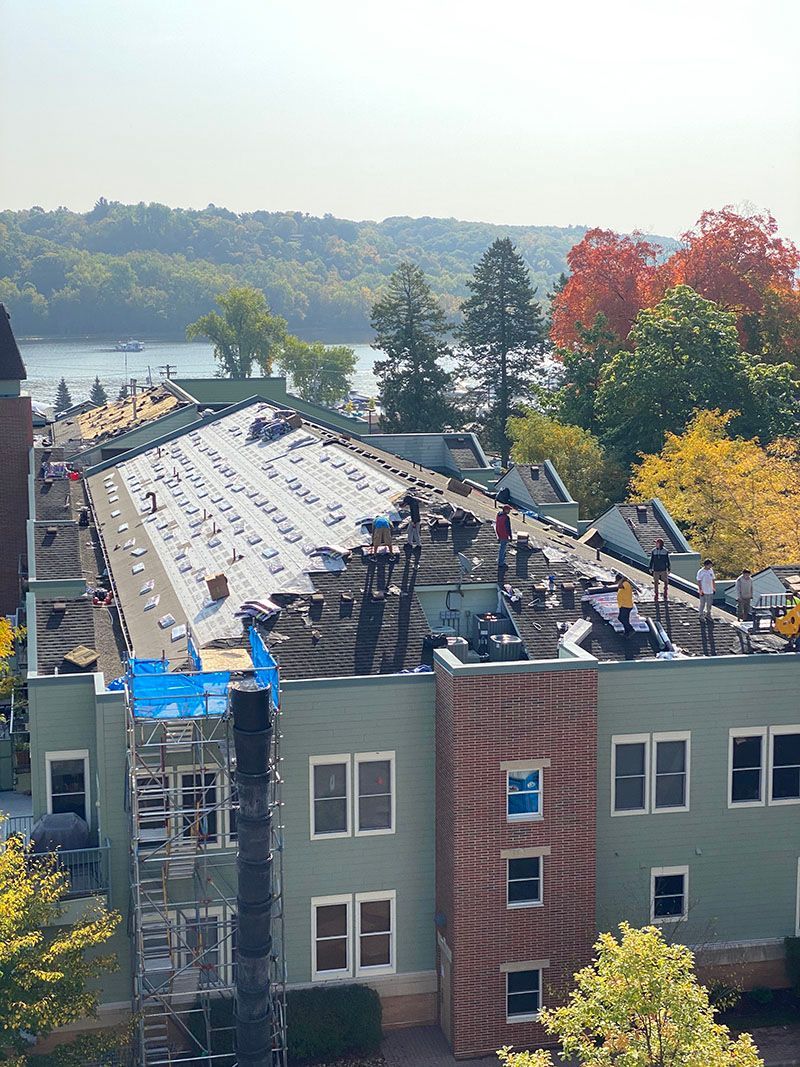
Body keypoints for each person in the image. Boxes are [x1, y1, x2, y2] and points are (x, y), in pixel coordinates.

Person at [649, 537, 671, 601]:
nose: (656, 544)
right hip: (656, 569)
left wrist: (669, 568)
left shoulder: (665, 551)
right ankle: (656, 594)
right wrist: (650, 567)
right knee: (655, 582)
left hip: (663, 569)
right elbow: (652, 560)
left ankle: (665, 593)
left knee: (666, 581)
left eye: (657, 543)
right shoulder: (653, 551)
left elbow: (667, 560)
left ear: (660, 544)